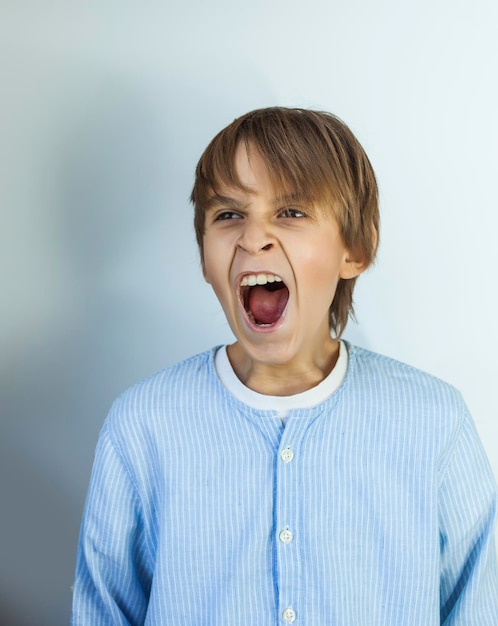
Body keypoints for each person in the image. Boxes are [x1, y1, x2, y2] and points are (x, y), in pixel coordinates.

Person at [71, 107, 498, 625]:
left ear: (355, 250)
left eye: (291, 212)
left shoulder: (434, 422)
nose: (254, 239)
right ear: (205, 256)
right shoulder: (141, 426)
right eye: (228, 215)